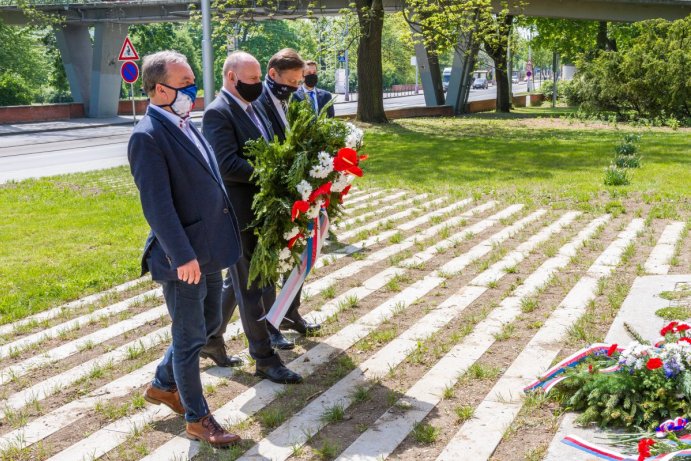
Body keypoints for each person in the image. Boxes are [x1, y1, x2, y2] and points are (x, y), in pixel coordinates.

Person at [128, 50, 242, 448]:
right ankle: (197, 417)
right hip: (184, 258)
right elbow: (157, 207)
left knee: (208, 324)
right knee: (191, 336)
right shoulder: (147, 136)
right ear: (160, 89)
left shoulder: (184, 122)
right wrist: (182, 256)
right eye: (185, 84)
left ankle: (163, 383)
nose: (193, 90)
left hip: (208, 248)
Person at [201, 51, 302, 384]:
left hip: (259, 208)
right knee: (251, 286)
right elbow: (227, 165)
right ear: (232, 77)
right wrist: (274, 174)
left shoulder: (250, 108)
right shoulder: (218, 113)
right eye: (254, 79)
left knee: (243, 281)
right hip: (239, 212)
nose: (260, 85)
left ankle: (211, 338)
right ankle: (263, 357)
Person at [256, 49, 321, 349]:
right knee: (263, 267)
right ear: (273, 75)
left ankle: (289, 312)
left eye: (300, 80)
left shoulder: (294, 100)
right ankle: (265, 326)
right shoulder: (256, 103)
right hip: (268, 195)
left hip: (295, 189)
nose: (296, 86)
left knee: (295, 256)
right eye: (292, 80)